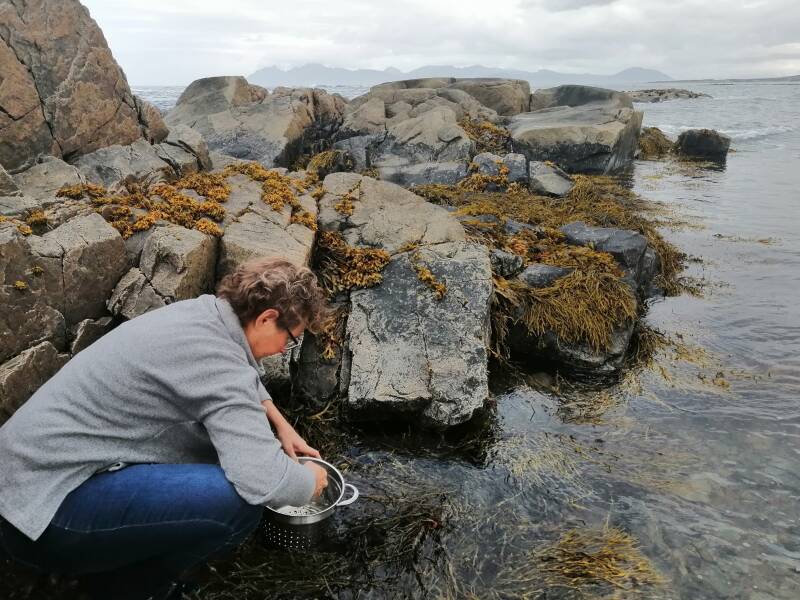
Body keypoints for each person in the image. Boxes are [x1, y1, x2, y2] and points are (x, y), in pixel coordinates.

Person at [0, 257, 330, 600]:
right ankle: (127, 590)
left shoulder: (203, 315)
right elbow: (263, 480)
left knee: (214, 451)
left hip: (21, 483)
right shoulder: (218, 364)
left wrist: (279, 422)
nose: (283, 349)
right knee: (239, 503)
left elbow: (232, 373)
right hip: (43, 517)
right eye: (291, 338)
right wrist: (310, 483)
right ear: (266, 318)